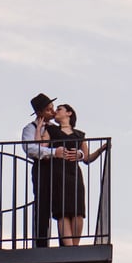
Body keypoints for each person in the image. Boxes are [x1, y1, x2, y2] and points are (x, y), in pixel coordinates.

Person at [40, 103, 106, 246]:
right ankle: (69, 248)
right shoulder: (50, 130)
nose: (55, 111)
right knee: (62, 212)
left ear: (69, 113)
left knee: (78, 211)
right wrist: (40, 127)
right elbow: (41, 148)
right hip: (57, 173)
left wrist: (101, 149)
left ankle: (75, 247)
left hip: (74, 174)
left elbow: (87, 158)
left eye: (59, 109)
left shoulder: (79, 135)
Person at [21, 93, 75, 247]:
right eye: (48, 110)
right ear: (40, 113)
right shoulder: (29, 129)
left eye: (53, 108)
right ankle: (41, 245)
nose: (52, 112)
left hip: (59, 171)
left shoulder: (56, 128)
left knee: (61, 206)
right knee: (43, 206)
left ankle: (64, 245)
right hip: (42, 170)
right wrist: (53, 153)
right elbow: (30, 149)